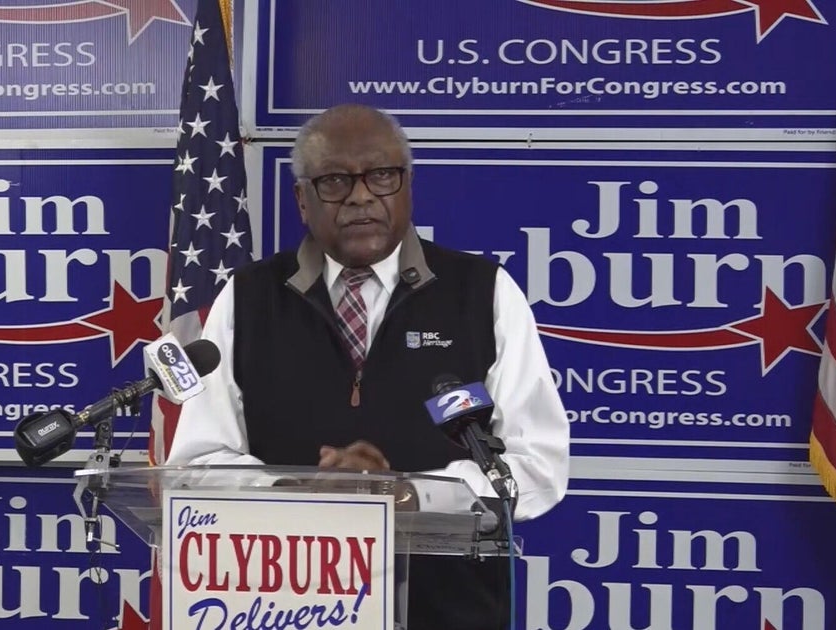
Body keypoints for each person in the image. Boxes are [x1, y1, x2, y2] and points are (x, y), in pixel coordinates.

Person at [165, 103, 570, 629]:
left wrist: (408, 497)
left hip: (446, 607)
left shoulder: (484, 293)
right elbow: (195, 469)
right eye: (334, 181)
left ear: (407, 185)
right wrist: (296, 492)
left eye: (381, 176)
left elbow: (537, 465)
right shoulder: (247, 299)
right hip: (286, 605)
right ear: (302, 201)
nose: (361, 196)